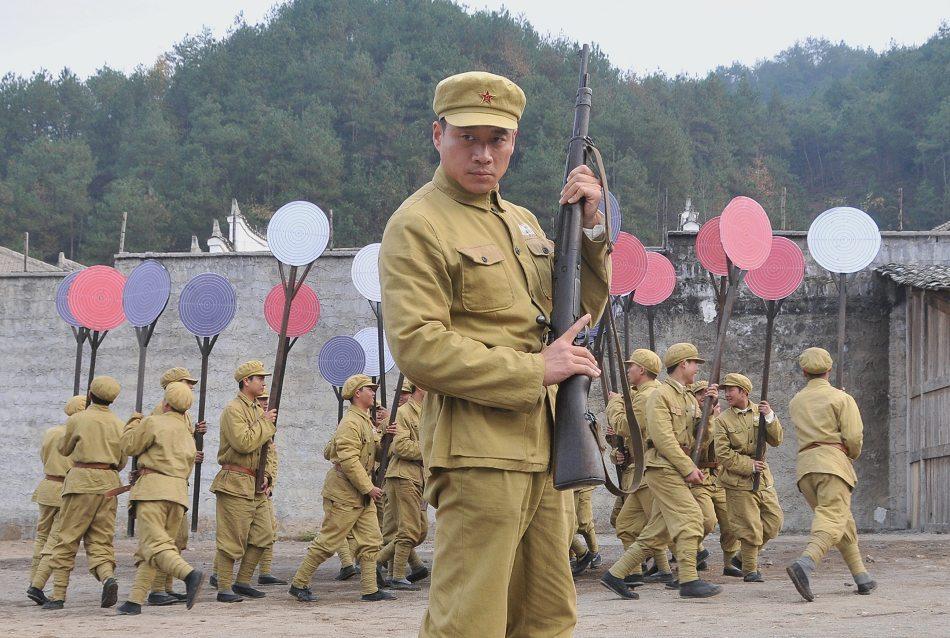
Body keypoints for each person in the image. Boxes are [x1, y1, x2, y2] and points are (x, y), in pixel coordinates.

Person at [379, 70, 610, 636]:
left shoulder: (524, 222)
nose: (483, 154)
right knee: (470, 620)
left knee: (548, 616)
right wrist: (536, 369)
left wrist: (590, 231)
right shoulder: (418, 224)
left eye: (497, 140)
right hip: (478, 454)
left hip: (546, 447)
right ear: (438, 135)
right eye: (468, 138)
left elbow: (576, 315)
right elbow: (418, 345)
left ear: (513, 142)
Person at [601, 344, 722, 599]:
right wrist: (688, 468)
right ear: (683, 364)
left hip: (675, 466)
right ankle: (689, 579)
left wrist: (709, 413)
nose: (697, 368)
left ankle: (615, 574)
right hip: (663, 467)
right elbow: (662, 438)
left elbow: (700, 440)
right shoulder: (660, 395)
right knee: (691, 518)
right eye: (694, 363)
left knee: (658, 530)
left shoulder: (687, 398)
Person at [288, 373, 395, 603]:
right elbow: (349, 461)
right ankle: (299, 583)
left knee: (371, 540)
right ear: (357, 393)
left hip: (360, 493)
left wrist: (387, 438)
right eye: (369, 389)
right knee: (328, 542)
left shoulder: (365, 421)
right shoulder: (350, 423)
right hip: (345, 492)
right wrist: (369, 488)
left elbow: (376, 455)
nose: (373, 392)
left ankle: (370, 589)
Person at [786, 348, 875, 601]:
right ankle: (805, 563)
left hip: (806, 469)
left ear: (804, 371)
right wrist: (849, 455)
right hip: (832, 463)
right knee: (833, 517)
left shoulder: (796, 401)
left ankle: (861, 576)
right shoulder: (841, 398)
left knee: (841, 520)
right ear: (829, 369)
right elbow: (854, 437)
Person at [116, 382, 204, 615]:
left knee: (154, 544)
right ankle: (135, 600)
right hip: (178, 495)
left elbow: (128, 446)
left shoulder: (153, 422)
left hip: (153, 491)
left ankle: (189, 574)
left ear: (165, 404)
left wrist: (133, 422)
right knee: (155, 547)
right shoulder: (188, 435)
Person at [42, 376, 127, 610]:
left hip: (81, 483)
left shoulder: (77, 419)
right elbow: (121, 461)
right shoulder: (120, 424)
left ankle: (58, 594)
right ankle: (107, 577)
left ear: (90, 394)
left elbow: (64, 449)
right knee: (101, 539)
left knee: (67, 538)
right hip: (110, 483)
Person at [211, 360, 277, 602]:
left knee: (264, 534)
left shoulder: (259, 411)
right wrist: (265, 423)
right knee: (232, 538)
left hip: (255, 484)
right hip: (235, 481)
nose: (263, 383)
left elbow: (268, 450)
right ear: (246, 381)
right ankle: (224, 587)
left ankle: (243, 581)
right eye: (259, 378)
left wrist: (267, 476)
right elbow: (243, 443)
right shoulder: (233, 409)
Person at [607, 349, 673, 583]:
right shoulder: (643, 394)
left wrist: (615, 403)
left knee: (656, 526)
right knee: (627, 525)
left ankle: (683, 572)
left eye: (632, 366)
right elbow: (629, 441)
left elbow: (626, 427)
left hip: (647, 471)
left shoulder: (646, 396)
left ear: (642, 370)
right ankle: (638, 573)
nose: (628, 370)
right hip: (638, 471)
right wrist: (617, 453)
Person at [713, 373, 784, 582]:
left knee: (774, 521)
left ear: (744, 392)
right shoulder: (722, 420)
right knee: (749, 526)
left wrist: (770, 416)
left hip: (763, 478)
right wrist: (749, 465)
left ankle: (741, 558)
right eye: (725, 390)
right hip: (738, 479)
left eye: (731, 390)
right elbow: (723, 454)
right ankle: (750, 570)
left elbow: (777, 440)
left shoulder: (760, 412)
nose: (727, 394)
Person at [146, 367, 205, 605]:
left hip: (179, 483)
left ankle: (166, 587)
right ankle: (156, 589)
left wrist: (195, 435)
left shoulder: (184, 414)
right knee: (166, 539)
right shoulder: (161, 412)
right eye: (186, 382)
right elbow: (164, 448)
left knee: (178, 539)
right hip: (164, 485)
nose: (190, 387)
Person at [26, 395, 84, 606]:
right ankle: (38, 585)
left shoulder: (51, 432)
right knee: (56, 539)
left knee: (41, 537)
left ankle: (33, 580)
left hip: (47, 485)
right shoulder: (80, 435)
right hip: (66, 489)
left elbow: (43, 456)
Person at [376, 380, 428, 590]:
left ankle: (387, 567)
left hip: (417, 476)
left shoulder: (426, 412)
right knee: (408, 530)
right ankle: (392, 572)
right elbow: (401, 447)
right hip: (403, 475)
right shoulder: (402, 413)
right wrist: (432, 449)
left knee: (417, 530)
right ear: (420, 387)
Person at [686, 380, 742, 577]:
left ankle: (730, 562)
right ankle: (691, 551)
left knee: (731, 523)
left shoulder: (723, 418)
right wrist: (710, 418)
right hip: (699, 476)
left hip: (719, 477)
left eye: (707, 393)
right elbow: (700, 444)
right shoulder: (691, 420)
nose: (704, 397)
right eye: (699, 393)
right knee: (707, 520)